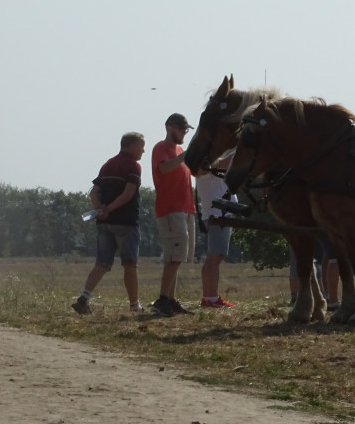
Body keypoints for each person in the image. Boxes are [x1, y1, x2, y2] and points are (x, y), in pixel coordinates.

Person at [72, 132, 146, 315]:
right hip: (126, 223)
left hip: (104, 224)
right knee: (130, 265)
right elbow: (128, 194)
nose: (143, 150)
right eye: (141, 146)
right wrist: (110, 209)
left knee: (101, 264)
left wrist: (100, 210)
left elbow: (94, 193)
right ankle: (134, 306)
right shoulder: (133, 166)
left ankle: (85, 298)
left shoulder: (107, 165)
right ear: (130, 146)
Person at [151, 113, 197, 317]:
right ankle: (162, 300)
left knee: (178, 257)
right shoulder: (161, 148)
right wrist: (184, 156)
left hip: (186, 208)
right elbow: (164, 168)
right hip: (170, 208)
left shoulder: (178, 150)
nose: (184, 133)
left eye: (186, 129)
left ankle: (170, 299)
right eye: (182, 129)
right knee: (173, 256)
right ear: (170, 127)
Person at [194, 150, 237, 308]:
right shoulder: (206, 163)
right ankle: (210, 298)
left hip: (218, 213)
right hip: (218, 214)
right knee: (214, 257)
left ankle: (210, 297)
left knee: (214, 257)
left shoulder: (210, 163)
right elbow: (223, 163)